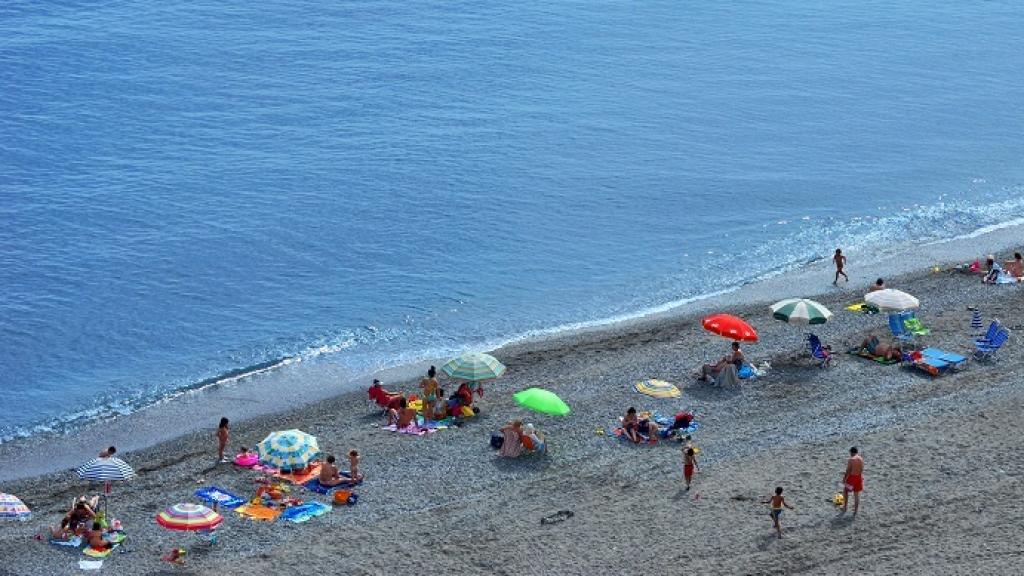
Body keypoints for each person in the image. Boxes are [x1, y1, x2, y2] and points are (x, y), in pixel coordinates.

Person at [842, 446, 865, 516]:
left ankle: (845, 507)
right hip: (859, 477)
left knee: (845, 491)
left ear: (851, 452)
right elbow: (861, 469)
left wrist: (844, 478)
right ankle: (855, 511)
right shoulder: (861, 458)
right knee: (856, 494)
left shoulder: (851, 459)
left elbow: (848, 470)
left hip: (852, 478)